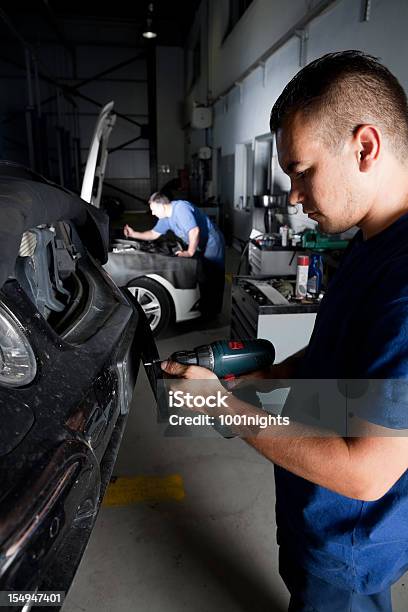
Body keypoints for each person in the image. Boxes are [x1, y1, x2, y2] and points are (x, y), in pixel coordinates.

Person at [161, 51, 408, 611]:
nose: (293, 197)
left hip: (348, 547)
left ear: (364, 147)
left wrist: (220, 410)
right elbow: (334, 359)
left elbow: (367, 472)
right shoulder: (368, 243)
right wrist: (260, 383)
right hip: (315, 519)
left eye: (302, 171)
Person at [124, 192, 225, 317]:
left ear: (162, 206)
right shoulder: (165, 218)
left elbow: (194, 231)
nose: (153, 213)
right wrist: (134, 234)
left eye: (153, 210)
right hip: (198, 244)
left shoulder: (181, 208)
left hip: (211, 243)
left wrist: (189, 252)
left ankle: (213, 312)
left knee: (213, 275)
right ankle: (204, 307)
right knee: (202, 274)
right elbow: (153, 234)